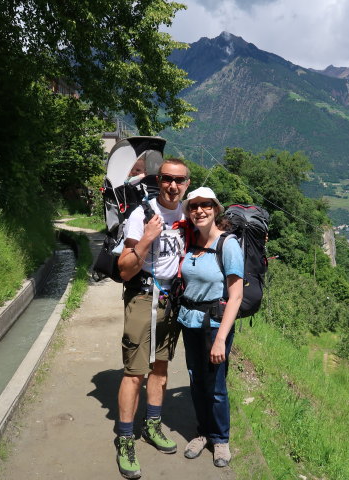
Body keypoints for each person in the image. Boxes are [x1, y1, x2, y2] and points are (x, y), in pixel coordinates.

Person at [115, 158, 191, 479]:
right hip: (142, 295)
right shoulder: (140, 214)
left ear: (187, 183)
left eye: (180, 180)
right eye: (167, 179)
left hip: (171, 300)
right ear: (158, 181)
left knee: (160, 366)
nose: (173, 186)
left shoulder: (190, 213)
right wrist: (147, 237)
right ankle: (125, 438)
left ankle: (153, 425)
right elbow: (124, 269)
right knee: (134, 372)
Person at [177, 187, 244, 468]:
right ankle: (202, 432)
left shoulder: (227, 245)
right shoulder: (191, 241)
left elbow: (236, 295)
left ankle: (220, 439)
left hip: (215, 325)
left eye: (205, 205)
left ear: (215, 209)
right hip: (189, 322)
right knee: (196, 380)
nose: (199, 211)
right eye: (193, 206)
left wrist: (220, 341)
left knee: (215, 386)